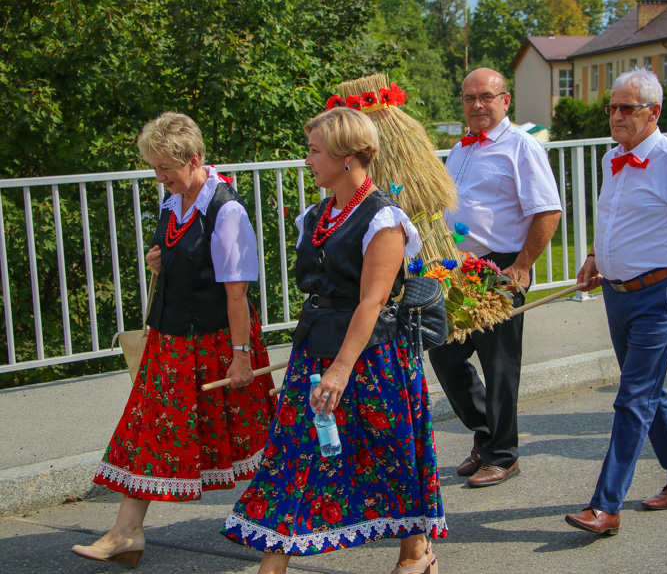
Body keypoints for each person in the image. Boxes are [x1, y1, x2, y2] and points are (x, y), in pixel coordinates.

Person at [221, 107, 445, 574]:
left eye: (314, 151)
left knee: (388, 450)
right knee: (295, 452)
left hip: (370, 355)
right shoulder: (317, 214)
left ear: (346, 157)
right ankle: (273, 566)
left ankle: (415, 552)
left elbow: (372, 303)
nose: (307, 160)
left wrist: (340, 369)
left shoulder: (384, 219)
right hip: (315, 348)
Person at [71, 112, 277, 566]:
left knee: (252, 433)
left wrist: (240, 357)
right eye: (155, 166)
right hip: (170, 341)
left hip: (218, 341)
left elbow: (237, 292)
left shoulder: (226, 209)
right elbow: (183, 255)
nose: (159, 176)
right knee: (146, 429)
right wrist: (160, 259)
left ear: (194, 158)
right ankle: (126, 532)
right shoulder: (172, 204)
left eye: (165, 167)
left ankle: (280, 521)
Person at [564, 68, 667, 536]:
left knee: (632, 399)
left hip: (660, 293)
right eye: (611, 107)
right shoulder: (615, 158)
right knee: (649, 391)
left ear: (654, 112)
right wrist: (594, 256)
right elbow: (611, 220)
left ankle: (605, 506)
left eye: (626, 108)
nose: (615, 116)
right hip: (617, 293)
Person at [428, 68, 561, 488]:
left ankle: (503, 455)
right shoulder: (460, 149)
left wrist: (521, 266)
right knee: (444, 354)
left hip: (501, 266)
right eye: (469, 98)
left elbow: (548, 211)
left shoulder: (521, 147)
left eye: (486, 96)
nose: (477, 105)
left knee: (499, 364)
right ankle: (488, 434)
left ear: (505, 101)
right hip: (459, 269)